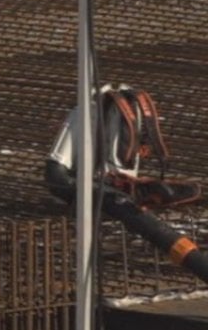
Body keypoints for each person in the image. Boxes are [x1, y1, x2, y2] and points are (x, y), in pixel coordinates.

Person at [44, 82, 208, 282]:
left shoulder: (107, 111)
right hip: (95, 186)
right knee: (131, 212)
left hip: (108, 187)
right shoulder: (86, 113)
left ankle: (128, 187)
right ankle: (127, 188)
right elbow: (55, 176)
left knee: (133, 212)